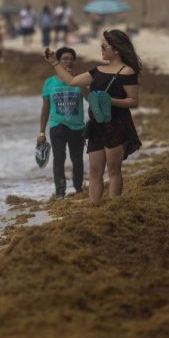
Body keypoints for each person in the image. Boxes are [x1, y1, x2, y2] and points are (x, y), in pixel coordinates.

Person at [43, 30, 142, 206]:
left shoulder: (126, 72)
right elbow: (71, 81)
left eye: (104, 47)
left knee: (113, 170)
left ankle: (115, 209)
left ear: (116, 49)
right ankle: (94, 208)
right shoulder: (97, 70)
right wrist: (54, 63)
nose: (101, 50)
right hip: (97, 125)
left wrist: (110, 101)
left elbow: (133, 101)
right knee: (94, 171)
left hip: (116, 125)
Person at [38, 47, 85, 199]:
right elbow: (45, 108)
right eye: (64, 58)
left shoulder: (80, 79)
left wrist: (77, 81)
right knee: (59, 158)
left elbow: (89, 98)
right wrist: (41, 132)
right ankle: (60, 191)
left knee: (77, 160)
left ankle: (78, 188)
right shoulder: (50, 82)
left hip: (77, 127)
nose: (68, 61)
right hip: (57, 126)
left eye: (71, 59)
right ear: (58, 61)